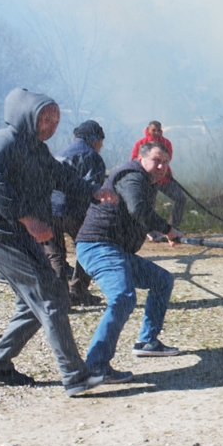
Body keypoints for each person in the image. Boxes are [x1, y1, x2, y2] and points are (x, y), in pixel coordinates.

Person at [0, 88, 119, 396]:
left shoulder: (36, 149)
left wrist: (93, 191)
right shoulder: (1, 142)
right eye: (46, 118)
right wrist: (27, 217)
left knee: (37, 304)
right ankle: (75, 377)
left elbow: (61, 176)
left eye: (56, 120)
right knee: (52, 299)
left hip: (19, 234)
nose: (51, 125)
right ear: (26, 114)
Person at [75, 142, 186, 384]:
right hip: (99, 246)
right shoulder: (133, 176)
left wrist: (146, 229)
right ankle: (95, 366)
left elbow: (132, 211)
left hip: (114, 249)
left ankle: (148, 341)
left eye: (165, 163)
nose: (161, 166)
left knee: (162, 280)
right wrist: (167, 230)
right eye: (156, 160)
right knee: (123, 297)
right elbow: (137, 208)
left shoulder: (143, 181)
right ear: (140, 157)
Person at [44, 119, 108, 306]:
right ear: (94, 139)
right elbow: (93, 189)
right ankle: (78, 292)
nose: (100, 147)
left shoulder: (60, 154)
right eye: (101, 143)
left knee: (55, 255)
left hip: (49, 209)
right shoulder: (91, 157)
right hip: (74, 211)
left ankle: (60, 299)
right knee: (88, 249)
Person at [130, 120, 186, 237]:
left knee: (180, 198)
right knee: (148, 205)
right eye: (153, 130)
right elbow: (134, 160)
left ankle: (173, 227)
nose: (156, 132)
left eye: (158, 130)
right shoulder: (140, 143)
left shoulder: (166, 143)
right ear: (148, 130)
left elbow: (167, 159)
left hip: (164, 178)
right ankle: (148, 230)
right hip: (148, 180)